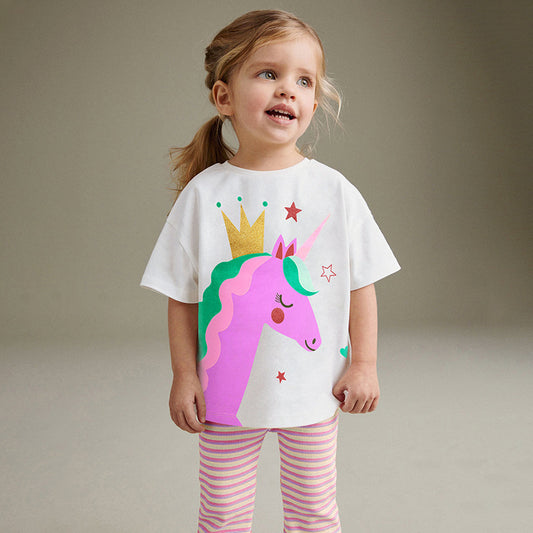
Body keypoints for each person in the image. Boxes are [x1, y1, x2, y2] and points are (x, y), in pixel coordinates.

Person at [141, 9, 400, 532]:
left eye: (304, 81)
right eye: (268, 73)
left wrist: (365, 364)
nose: (288, 90)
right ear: (224, 97)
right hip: (223, 397)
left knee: (314, 513)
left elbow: (361, 284)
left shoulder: (334, 191)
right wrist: (185, 375)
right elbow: (181, 295)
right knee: (222, 514)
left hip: (314, 390)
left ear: (313, 103)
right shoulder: (203, 195)